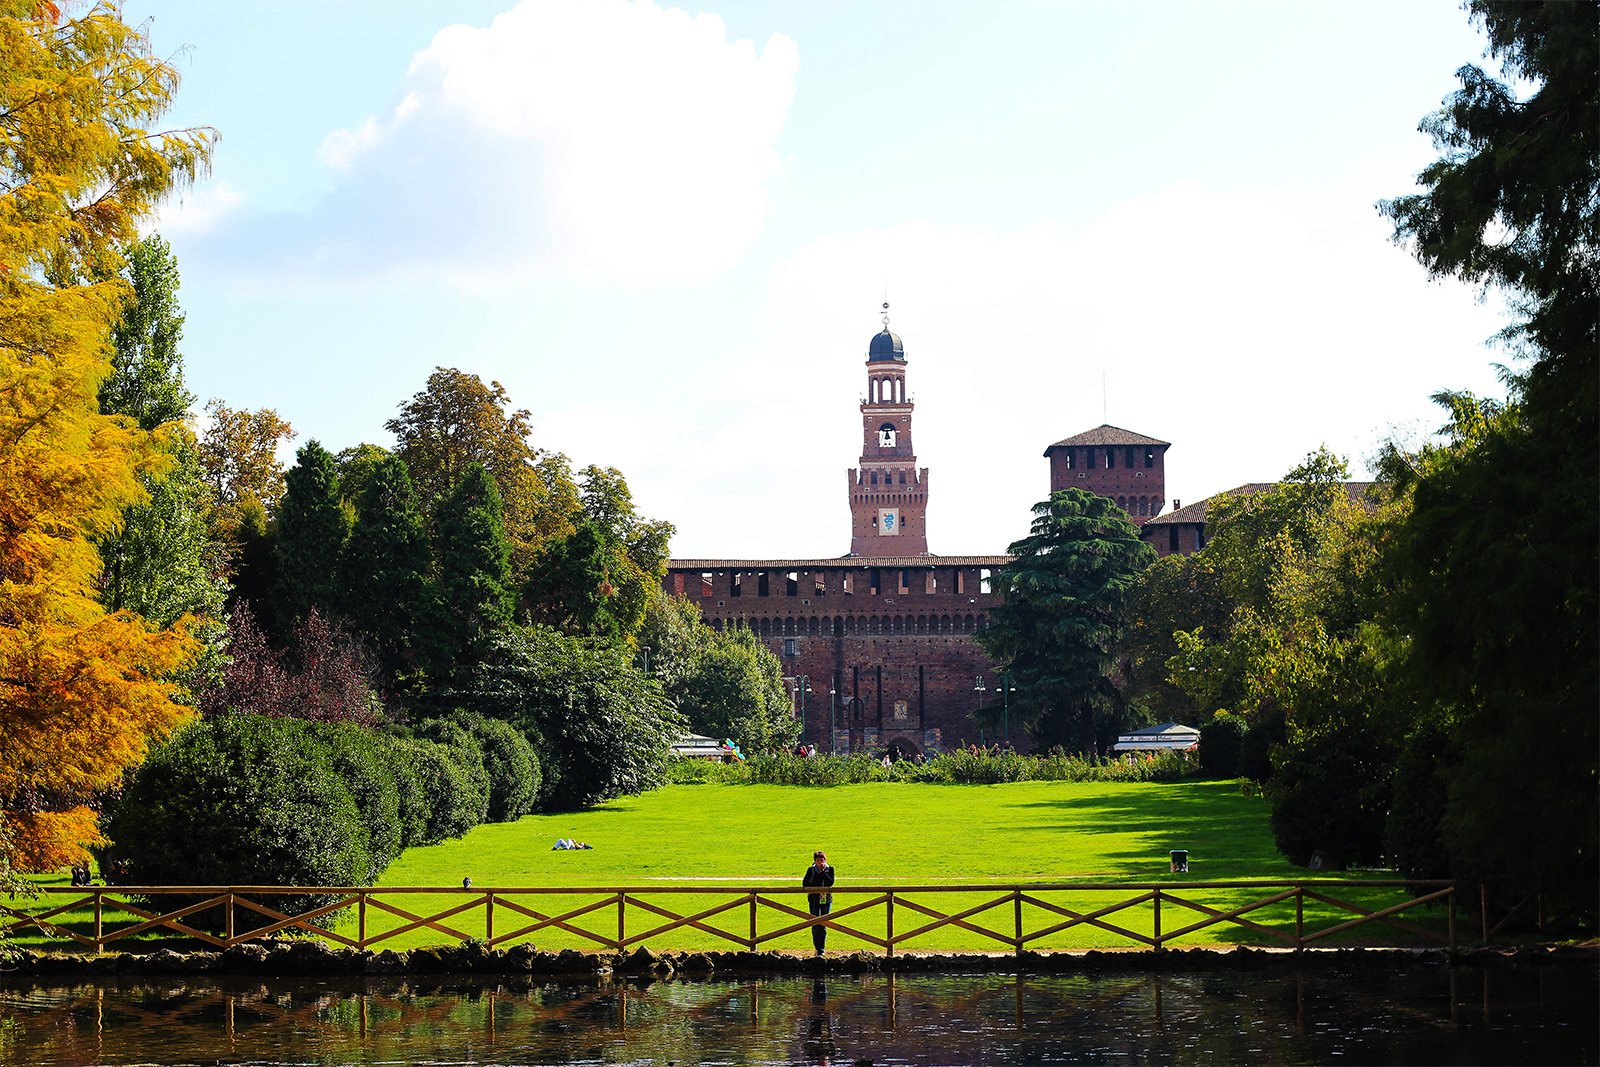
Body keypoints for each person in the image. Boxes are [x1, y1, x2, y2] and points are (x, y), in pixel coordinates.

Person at [803, 850, 835, 956]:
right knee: (815, 923)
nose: (820, 862)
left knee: (824, 923)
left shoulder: (830, 869)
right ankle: (817, 948)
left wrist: (823, 872)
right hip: (814, 899)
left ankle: (822, 949)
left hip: (826, 898)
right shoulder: (811, 870)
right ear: (815, 861)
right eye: (818, 860)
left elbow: (830, 882)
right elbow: (805, 883)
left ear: (825, 860)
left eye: (822, 860)